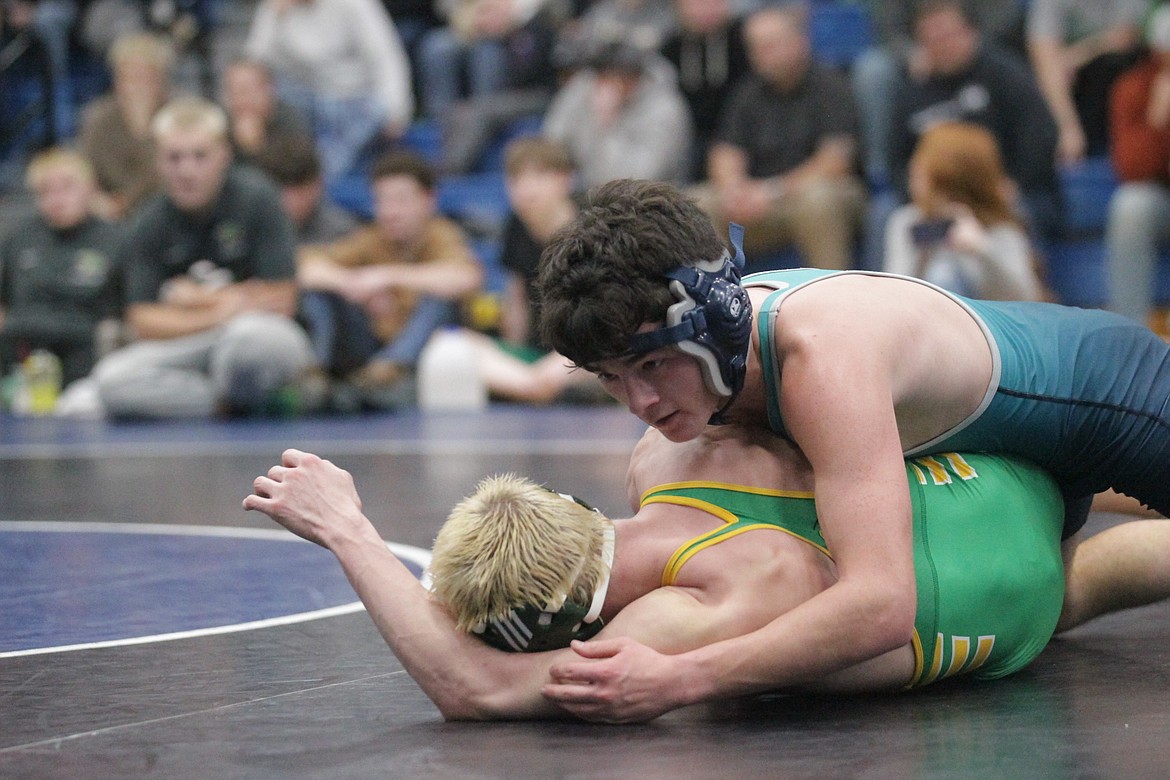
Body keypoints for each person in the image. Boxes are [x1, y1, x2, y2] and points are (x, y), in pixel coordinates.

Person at [533, 177, 1170, 721]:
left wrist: (687, 677)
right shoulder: (712, 374)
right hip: (1016, 434)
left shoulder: (820, 359)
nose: (639, 401)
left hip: (1115, 394)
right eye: (611, 378)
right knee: (1051, 602)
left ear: (717, 324)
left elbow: (884, 605)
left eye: (651, 365)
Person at [242, 427, 1170, 720]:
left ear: (573, 626)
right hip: (995, 477)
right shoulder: (664, 447)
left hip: (1009, 608)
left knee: (1068, 587)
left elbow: (472, 688)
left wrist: (352, 534)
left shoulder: (683, 617)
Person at [91, 96, 315, 419]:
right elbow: (142, 320)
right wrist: (224, 311)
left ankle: (224, 394)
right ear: (158, 161)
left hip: (258, 339)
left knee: (250, 342)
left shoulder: (258, 198)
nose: (186, 170)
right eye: (174, 157)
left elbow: (281, 300)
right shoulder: (148, 220)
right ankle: (233, 403)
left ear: (223, 155)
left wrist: (195, 298)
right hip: (194, 344)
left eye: (199, 156)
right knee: (110, 381)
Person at [296, 151, 483, 408]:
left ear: (428, 200)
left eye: (401, 200)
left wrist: (387, 277)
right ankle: (314, 373)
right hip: (368, 346)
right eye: (382, 201)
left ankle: (390, 367)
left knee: (440, 299)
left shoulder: (442, 236)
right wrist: (351, 283)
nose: (390, 212)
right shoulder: (371, 238)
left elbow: (465, 277)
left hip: (421, 354)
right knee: (319, 294)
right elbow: (304, 266)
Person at [689, 4, 866, 268]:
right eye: (755, 47)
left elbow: (835, 162)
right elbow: (725, 152)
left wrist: (770, 192)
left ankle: (831, 297)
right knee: (698, 201)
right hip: (758, 201)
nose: (761, 55)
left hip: (818, 194)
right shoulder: (747, 93)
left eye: (770, 45)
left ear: (800, 42)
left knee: (818, 200)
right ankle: (713, 297)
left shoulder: (831, 87)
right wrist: (734, 189)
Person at [886, 1, 1062, 250]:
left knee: (1021, 214)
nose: (941, 44)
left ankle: (1031, 283)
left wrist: (1013, 184)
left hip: (1004, 193)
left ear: (971, 32)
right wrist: (924, 198)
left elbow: (1041, 135)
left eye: (948, 35)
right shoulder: (911, 90)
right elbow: (897, 160)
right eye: (931, 39)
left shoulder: (1004, 74)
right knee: (889, 218)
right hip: (936, 202)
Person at [455, 136, 605, 404]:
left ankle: (534, 385)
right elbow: (517, 300)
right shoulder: (515, 227)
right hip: (536, 359)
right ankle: (533, 386)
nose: (525, 189)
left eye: (538, 176)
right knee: (451, 345)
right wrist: (513, 351)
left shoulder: (594, 226)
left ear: (565, 179)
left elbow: (610, 313)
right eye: (516, 179)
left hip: (588, 351)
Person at [850, 0, 1026, 187]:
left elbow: (1004, 18)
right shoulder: (910, 87)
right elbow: (886, 26)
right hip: (914, 57)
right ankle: (879, 176)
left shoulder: (1003, 73)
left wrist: (961, 41)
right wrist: (912, 53)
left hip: (982, 47)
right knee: (873, 70)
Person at [244, 0, 415, 185]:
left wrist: (397, 110)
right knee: (273, 95)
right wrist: (274, 18)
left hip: (356, 99)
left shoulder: (356, 4)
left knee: (379, 110)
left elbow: (385, 58)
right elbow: (252, 65)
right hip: (307, 100)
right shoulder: (274, 8)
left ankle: (320, 175)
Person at [0, 147, 124, 388]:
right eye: (45, 191)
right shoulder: (19, 239)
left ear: (90, 188)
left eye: (67, 187)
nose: (56, 199)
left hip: (86, 358)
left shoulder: (116, 239)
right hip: (20, 355)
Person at [882, 121, 1046, 302]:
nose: (913, 169)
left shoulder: (1000, 229)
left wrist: (981, 249)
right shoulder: (907, 222)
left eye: (922, 167)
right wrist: (922, 251)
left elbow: (1023, 299)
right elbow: (891, 298)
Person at [542, 36, 693, 189]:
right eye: (605, 76)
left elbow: (636, 179)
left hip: (649, 200)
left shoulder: (664, 108)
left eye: (622, 77)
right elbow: (551, 142)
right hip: (585, 188)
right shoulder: (585, 85)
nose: (612, 85)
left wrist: (606, 123)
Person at [1106, 5, 1170, 331]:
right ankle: (1130, 334)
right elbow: (1133, 168)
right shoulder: (1135, 87)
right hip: (1162, 200)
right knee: (1130, 205)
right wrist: (1158, 119)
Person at [1025, 0, 1148, 165]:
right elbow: (1045, 60)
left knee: (1120, 65)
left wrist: (1074, 56)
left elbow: (1124, 40)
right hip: (1075, 90)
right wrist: (1067, 127)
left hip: (1120, 78)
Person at [77, 30, 174, 220]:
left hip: (167, 211)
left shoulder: (177, 114)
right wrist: (97, 200)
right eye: (129, 77)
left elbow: (166, 174)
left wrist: (143, 129)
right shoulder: (99, 117)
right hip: (112, 215)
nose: (136, 86)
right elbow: (83, 170)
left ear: (161, 80)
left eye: (144, 77)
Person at [658, 0, 752, 182]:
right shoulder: (670, 47)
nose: (705, 9)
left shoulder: (743, 41)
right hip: (688, 135)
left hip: (738, 134)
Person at [256, 134, 358, 246]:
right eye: (282, 191)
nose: (292, 202)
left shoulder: (344, 234)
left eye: (301, 192)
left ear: (319, 184)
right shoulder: (246, 228)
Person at [220, 57, 311, 171]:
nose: (240, 98)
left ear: (269, 89)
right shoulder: (220, 124)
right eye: (232, 91)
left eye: (247, 90)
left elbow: (297, 173)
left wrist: (257, 147)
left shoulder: (290, 120)